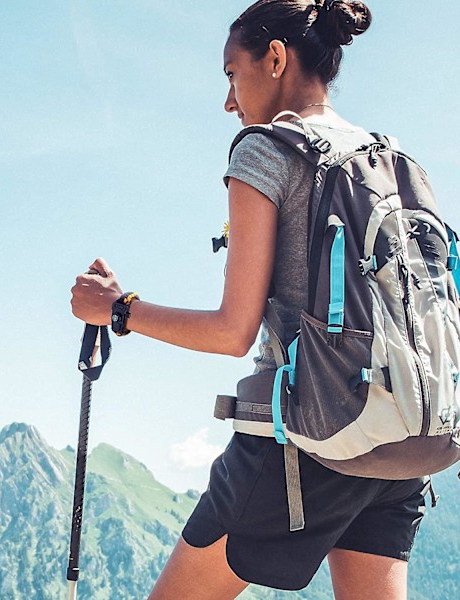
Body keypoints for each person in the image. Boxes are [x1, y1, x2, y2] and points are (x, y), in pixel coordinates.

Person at [70, 1, 429, 598]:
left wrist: (118, 308)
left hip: (302, 444)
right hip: (402, 444)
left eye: (232, 75)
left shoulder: (264, 149)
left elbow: (231, 332)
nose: (229, 102)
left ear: (277, 58)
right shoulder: (391, 159)